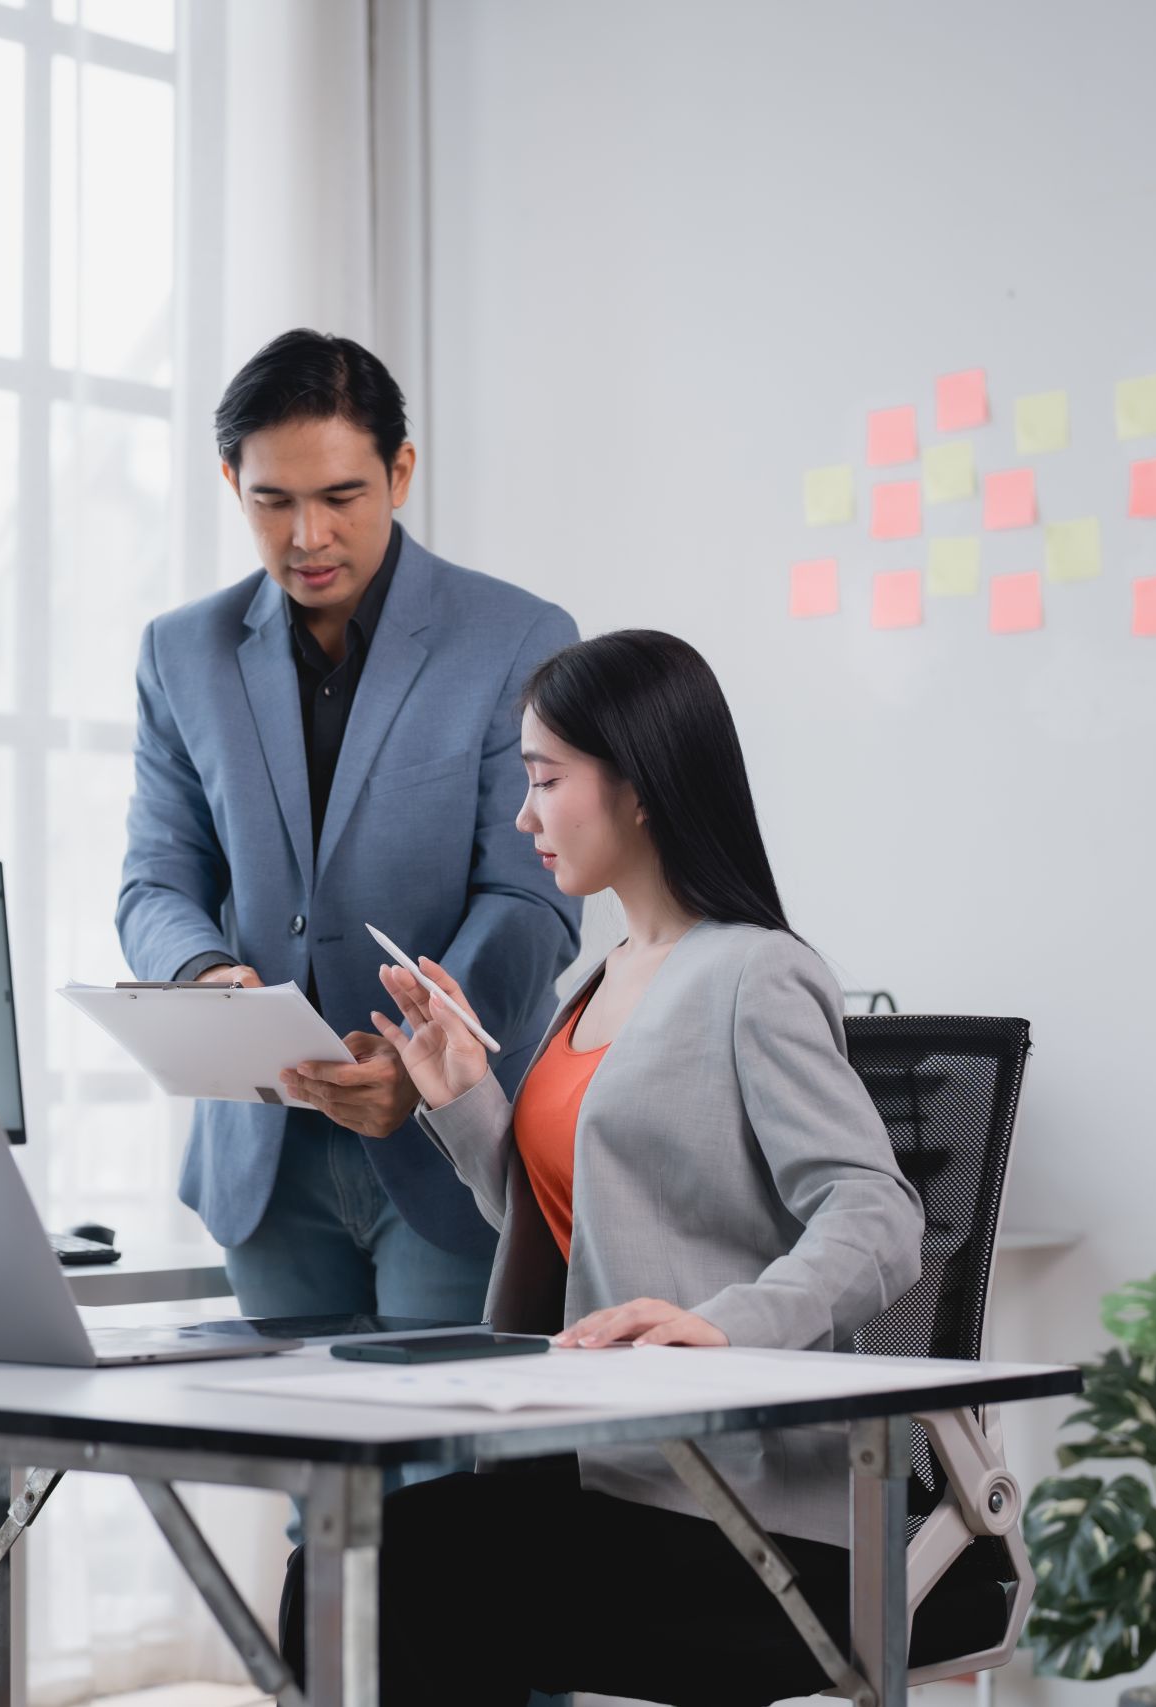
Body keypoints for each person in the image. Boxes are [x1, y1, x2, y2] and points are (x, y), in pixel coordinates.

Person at [278, 630, 966, 1705]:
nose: (522, 816)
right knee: (343, 1559)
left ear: (638, 788)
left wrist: (728, 1321)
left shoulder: (756, 973)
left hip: (738, 1516)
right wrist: (459, 1094)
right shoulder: (593, 982)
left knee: (394, 1572)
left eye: (546, 780)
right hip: (589, 1471)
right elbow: (562, 1220)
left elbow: (877, 1214)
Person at [116, 328, 580, 1337]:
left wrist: (419, 1063)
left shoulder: (517, 638)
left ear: (399, 471)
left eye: (339, 497)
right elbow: (155, 880)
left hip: (451, 1145)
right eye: (271, 501)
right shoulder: (180, 652)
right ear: (231, 479)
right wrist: (206, 979)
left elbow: (532, 897)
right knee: (299, 1474)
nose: (306, 538)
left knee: (439, 1486)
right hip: (264, 1155)